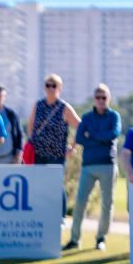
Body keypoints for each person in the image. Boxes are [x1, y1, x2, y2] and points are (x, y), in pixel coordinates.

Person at [64, 84, 121, 252]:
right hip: (88, 165)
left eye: (104, 97)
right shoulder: (87, 117)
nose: (101, 100)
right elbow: (80, 138)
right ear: (94, 99)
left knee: (107, 204)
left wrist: (93, 135)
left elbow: (114, 134)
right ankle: (75, 239)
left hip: (108, 165)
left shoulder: (114, 116)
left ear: (108, 99)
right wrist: (101, 138)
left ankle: (100, 238)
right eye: (98, 97)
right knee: (80, 202)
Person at [28, 74, 81, 217]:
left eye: (54, 85)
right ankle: (40, 214)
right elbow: (31, 126)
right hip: (39, 153)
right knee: (38, 186)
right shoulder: (38, 105)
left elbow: (80, 127)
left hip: (56, 154)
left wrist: (72, 147)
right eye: (48, 85)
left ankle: (60, 217)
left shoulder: (64, 107)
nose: (51, 89)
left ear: (60, 88)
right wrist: (30, 144)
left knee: (56, 186)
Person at [0, 83, 24, 164]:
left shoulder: (11, 114)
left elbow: (19, 135)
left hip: (9, 159)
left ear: (5, 96)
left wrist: (18, 154)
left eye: (0, 93)